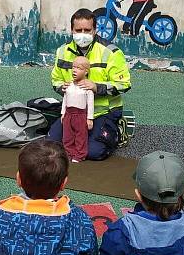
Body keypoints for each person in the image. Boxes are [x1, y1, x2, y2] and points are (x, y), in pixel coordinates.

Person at [48, 8, 131, 161]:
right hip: (74, 112)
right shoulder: (62, 51)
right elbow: (55, 80)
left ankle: (118, 129)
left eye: (87, 30)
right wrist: (62, 87)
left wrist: (96, 87)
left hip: (103, 111)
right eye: (78, 30)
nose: (82, 34)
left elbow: (124, 84)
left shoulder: (111, 52)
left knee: (93, 152)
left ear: (94, 30)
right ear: (72, 30)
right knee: (51, 146)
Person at [60, 56, 94, 162]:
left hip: (81, 115)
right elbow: (65, 99)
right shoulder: (68, 85)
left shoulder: (87, 88)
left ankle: (80, 154)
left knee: (81, 136)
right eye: (73, 67)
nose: (74, 70)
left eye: (79, 68)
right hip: (68, 114)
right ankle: (68, 153)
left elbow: (90, 103)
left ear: (86, 72)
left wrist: (89, 118)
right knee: (67, 136)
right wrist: (63, 113)